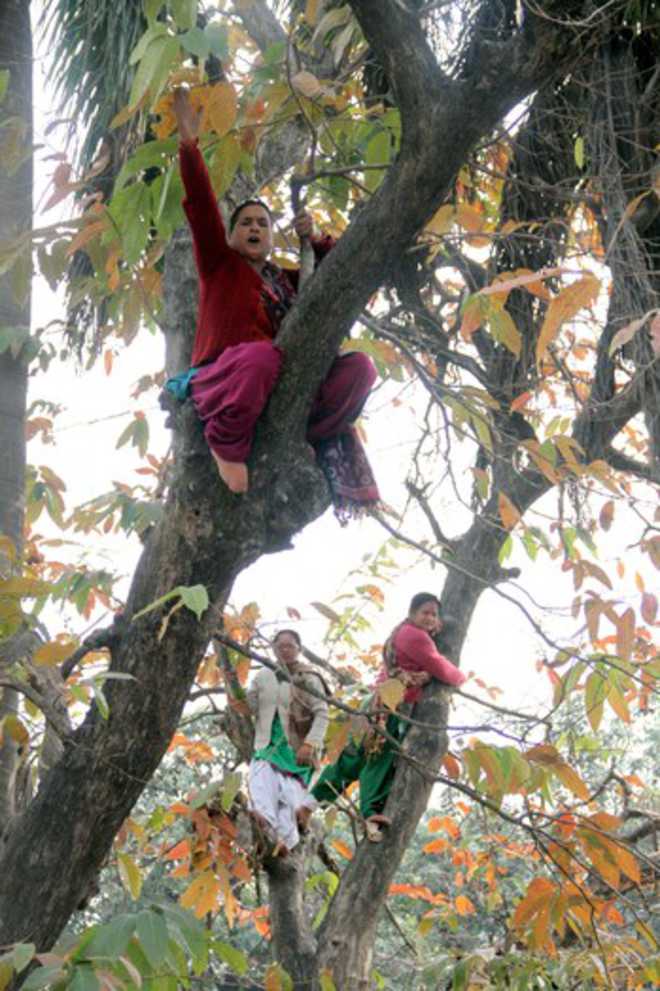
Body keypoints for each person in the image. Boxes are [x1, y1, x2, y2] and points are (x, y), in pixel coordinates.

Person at [166, 88, 379, 520]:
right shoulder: (220, 265)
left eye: (263, 223)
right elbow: (202, 207)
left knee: (361, 368)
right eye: (244, 222)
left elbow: (343, 271)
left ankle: (310, 435)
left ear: (271, 235)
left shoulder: (284, 279)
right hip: (229, 378)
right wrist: (189, 146)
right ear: (230, 236)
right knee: (261, 357)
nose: (254, 227)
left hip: (277, 388)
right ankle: (226, 444)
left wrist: (313, 239)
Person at [311, 592, 466, 839]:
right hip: (389, 707)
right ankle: (370, 812)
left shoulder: (403, 631)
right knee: (378, 757)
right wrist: (461, 677)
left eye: (434, 615)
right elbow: (441, 668)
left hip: (376, 701)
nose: (429, 618)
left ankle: (310, 803)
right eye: (425, 613)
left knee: (352, 758)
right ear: (412, 613)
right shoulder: (414, 636)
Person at [246, 629, 329, 855]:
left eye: (290, 645)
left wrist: (310, 744)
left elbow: (322, 712)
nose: (285, 650)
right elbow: (248, 706)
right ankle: (265, 830)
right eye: (280, 645)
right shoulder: (263, 675)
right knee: (261, 785)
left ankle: (284, 842)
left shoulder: (308, 677)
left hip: (296, 749)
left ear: (299, 649)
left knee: (291, 800)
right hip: (267, 744)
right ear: (273, 648)